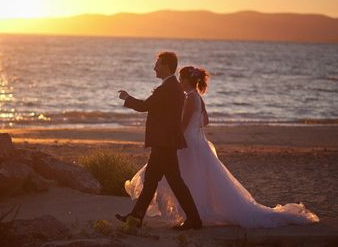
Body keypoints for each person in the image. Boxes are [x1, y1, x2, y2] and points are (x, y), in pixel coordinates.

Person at [125, 66, 320, 228]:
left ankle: (192, 218)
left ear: (186, 81)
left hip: (188, 143)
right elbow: (206, 121)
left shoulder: (190, 98)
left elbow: (182, 125)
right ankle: (175, 216)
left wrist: (178, 130)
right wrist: (194, 128)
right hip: (196, 141)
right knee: (188, 179)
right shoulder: (198, 98)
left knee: (182, 180)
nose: (180, 82)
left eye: (181, 79)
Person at [116, 52, 203, 230]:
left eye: (157, 64)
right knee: (151, 182)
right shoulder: (172, 87)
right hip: (164, 142)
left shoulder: (168, 88)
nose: (154, 67)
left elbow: (144, 106)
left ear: (166, 66)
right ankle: (136, 217)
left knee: (175, 182)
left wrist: (127, 98)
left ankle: (195, 220)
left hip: (165, 143)